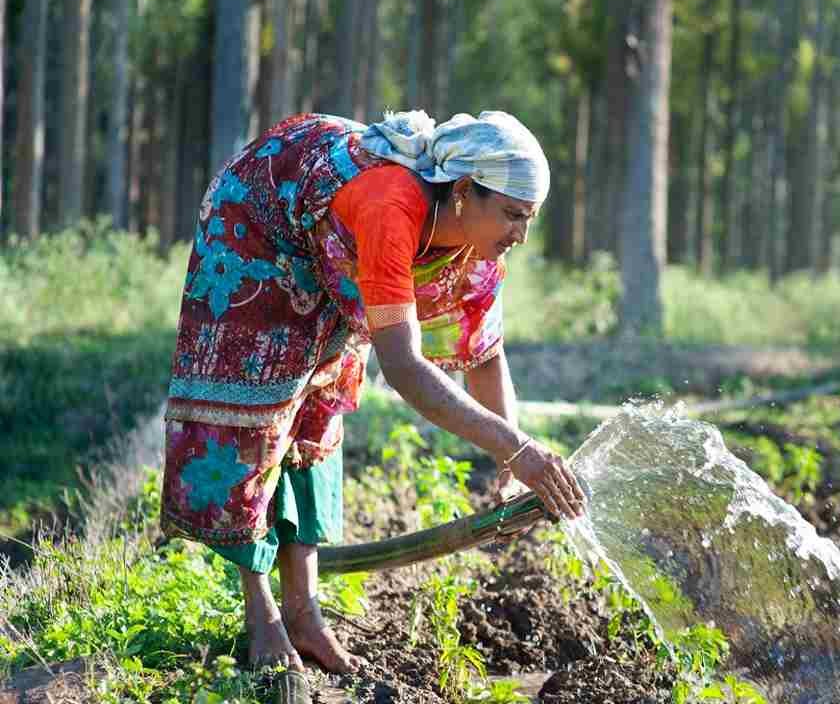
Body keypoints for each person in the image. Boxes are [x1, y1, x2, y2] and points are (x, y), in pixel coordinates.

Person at [159, 110, 586, 674]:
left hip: (331, 242)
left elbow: (484, 353)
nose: (521, 235)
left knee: (321, 405)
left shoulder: (478, 253)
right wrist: (518, 449)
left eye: (529, 218)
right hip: (259, 222)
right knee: (256, 410)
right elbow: (405, 368)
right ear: (463, 192)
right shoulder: (392, 206)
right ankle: (262, 614)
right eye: (512, 214)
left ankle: (303, 612)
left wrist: (509, 465)